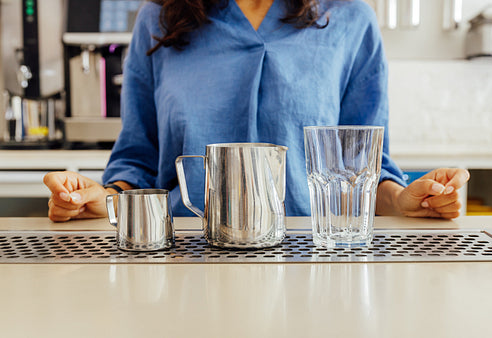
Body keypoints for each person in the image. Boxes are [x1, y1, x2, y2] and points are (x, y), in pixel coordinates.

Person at [44, 0, 469, 222]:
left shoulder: (351, 20)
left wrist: (408, 201)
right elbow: (136, 161)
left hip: (311, 263)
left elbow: (362, 169)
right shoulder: (158, 20)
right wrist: (100, 200)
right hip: (181, 257)